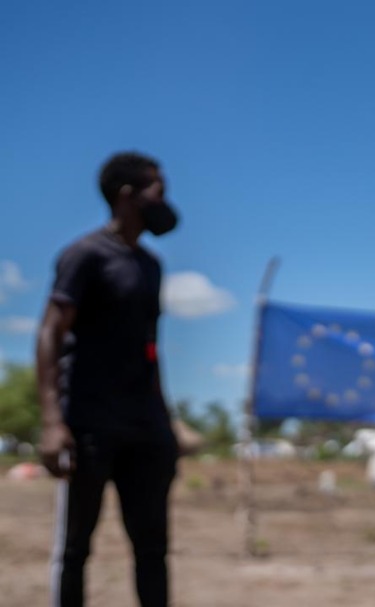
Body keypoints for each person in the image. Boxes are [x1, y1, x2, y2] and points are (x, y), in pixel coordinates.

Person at [36, 152, 181, 607]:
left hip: (144, 424)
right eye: (157, 188)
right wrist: (53, 421)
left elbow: (150, 347)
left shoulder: (150, 265)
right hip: (89, 422)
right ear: (128, 195)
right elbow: (50, 332)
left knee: (153, 549)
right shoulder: (86, 255)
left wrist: (166, 422)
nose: (165, 198)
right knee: (76, 547)